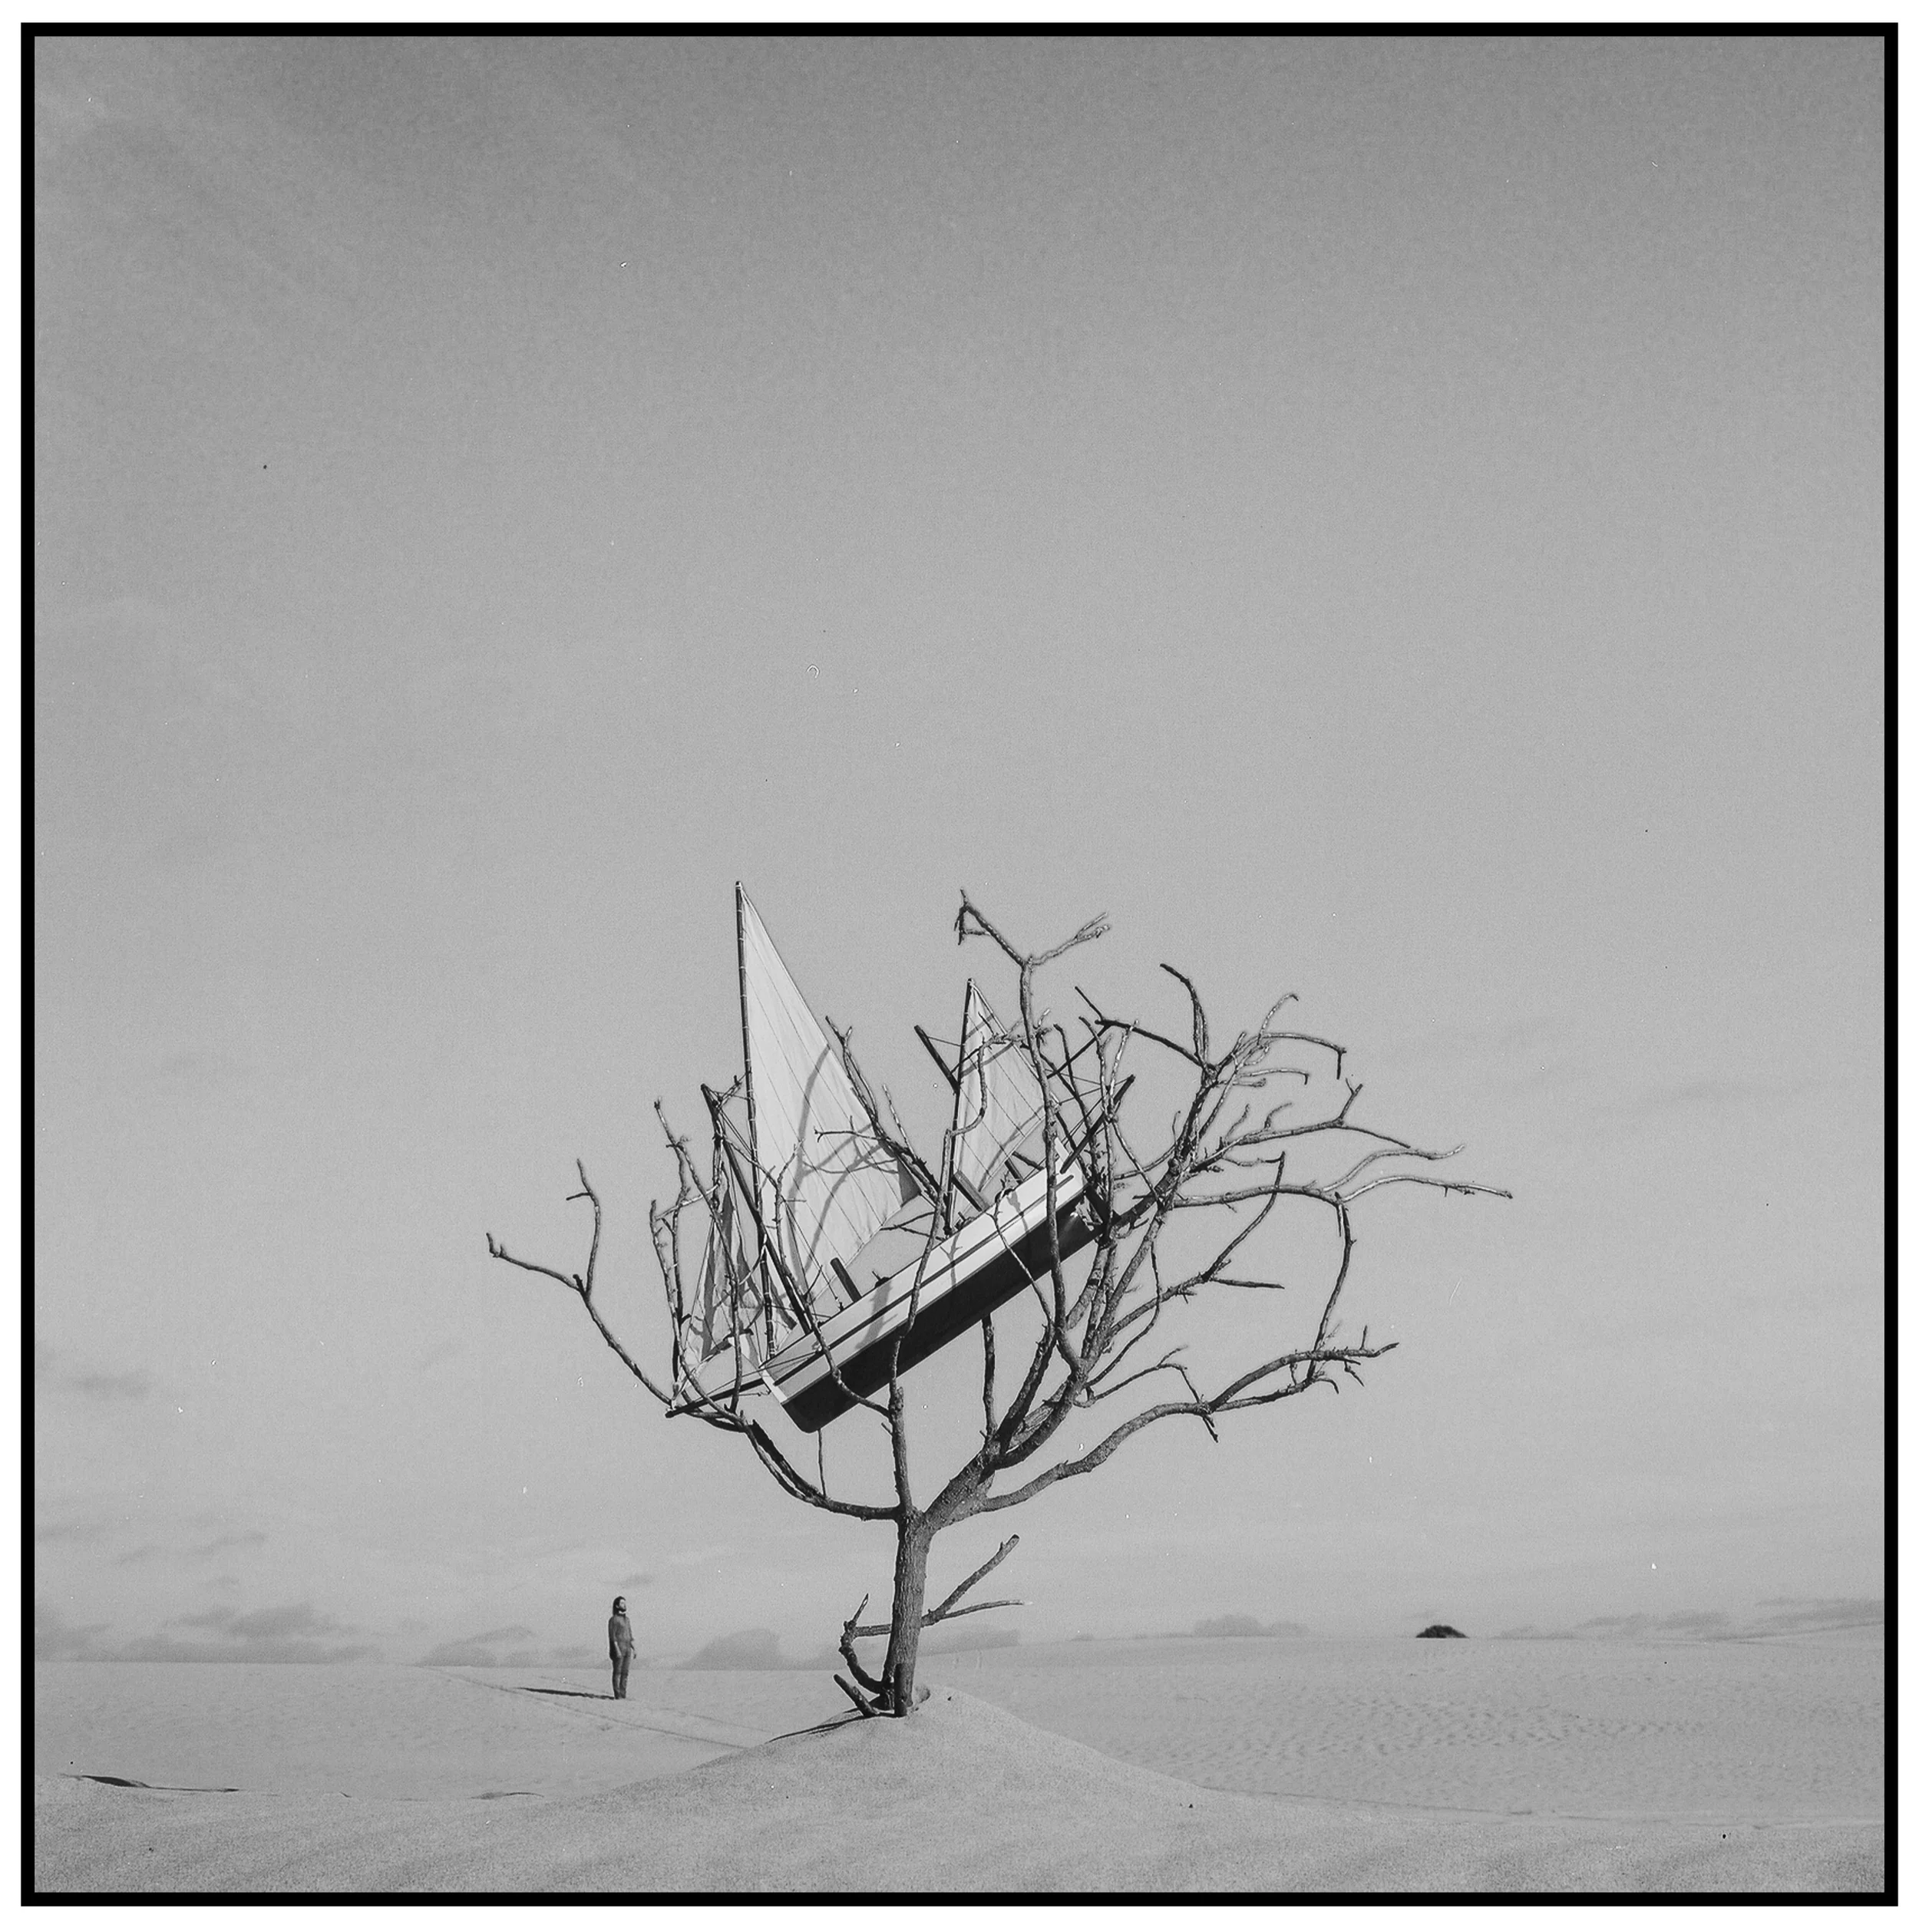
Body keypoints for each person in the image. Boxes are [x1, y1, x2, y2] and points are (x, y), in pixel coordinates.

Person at [608, 1595, 636, 1699]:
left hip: (627, 1648)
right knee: (618, 1672)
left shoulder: (627, 1620)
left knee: (625, 1673)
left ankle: (623, 1694)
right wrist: (617, 1650)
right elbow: (613, 1636)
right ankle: (617, 1694)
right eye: (622, 1603)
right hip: (618, 1648)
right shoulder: (613, 1620)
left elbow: (630, 1635)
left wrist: (634, 1648)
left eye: (625, 1603)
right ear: (617, 1605)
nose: (624, 1605)